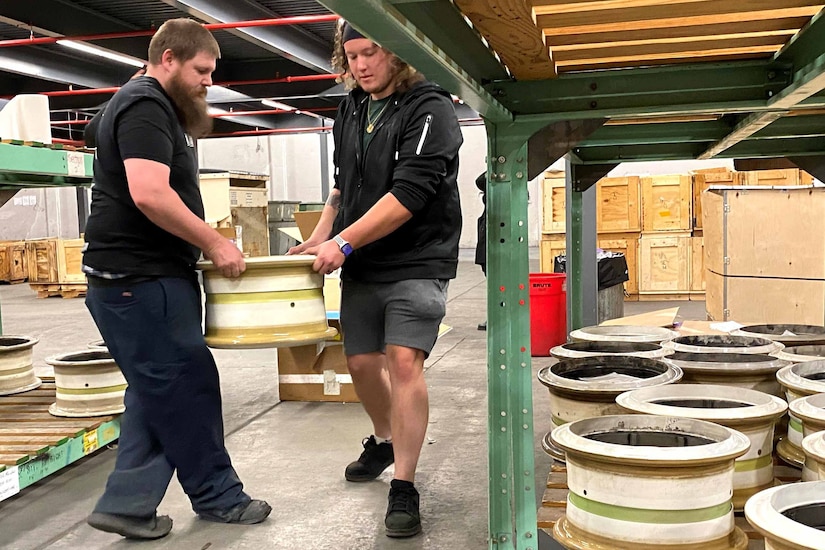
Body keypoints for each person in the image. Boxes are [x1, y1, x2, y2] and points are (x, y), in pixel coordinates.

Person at [81, 18, 270, 540]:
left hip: (138, 278)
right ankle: (219, 498)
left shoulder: (139, 104)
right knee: (185, 389)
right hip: (139, 280)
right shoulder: (145, 105)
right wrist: (214, 241)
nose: (209, 81)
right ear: (169, 59)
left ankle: (128, 503)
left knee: (157, 390)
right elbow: (149, 192)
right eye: (202, 70)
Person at [288, 20, 463, 538]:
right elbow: (343, 186)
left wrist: (342, 244)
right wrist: (319, 235)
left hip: (417, 259)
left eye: (372, 54)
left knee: (403, 361)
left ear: (398, 54)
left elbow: (409, 195)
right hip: (364, 260)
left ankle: (404, 484)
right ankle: (385, 439)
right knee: (362, 364)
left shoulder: (430, 108)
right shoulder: (353, 107)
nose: (361, 66)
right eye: (353, 56)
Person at [474, 172, 487, 331]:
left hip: (493, 239)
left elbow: (480, 180)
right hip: (486, 240)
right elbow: (480, 181)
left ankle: (498, 317)